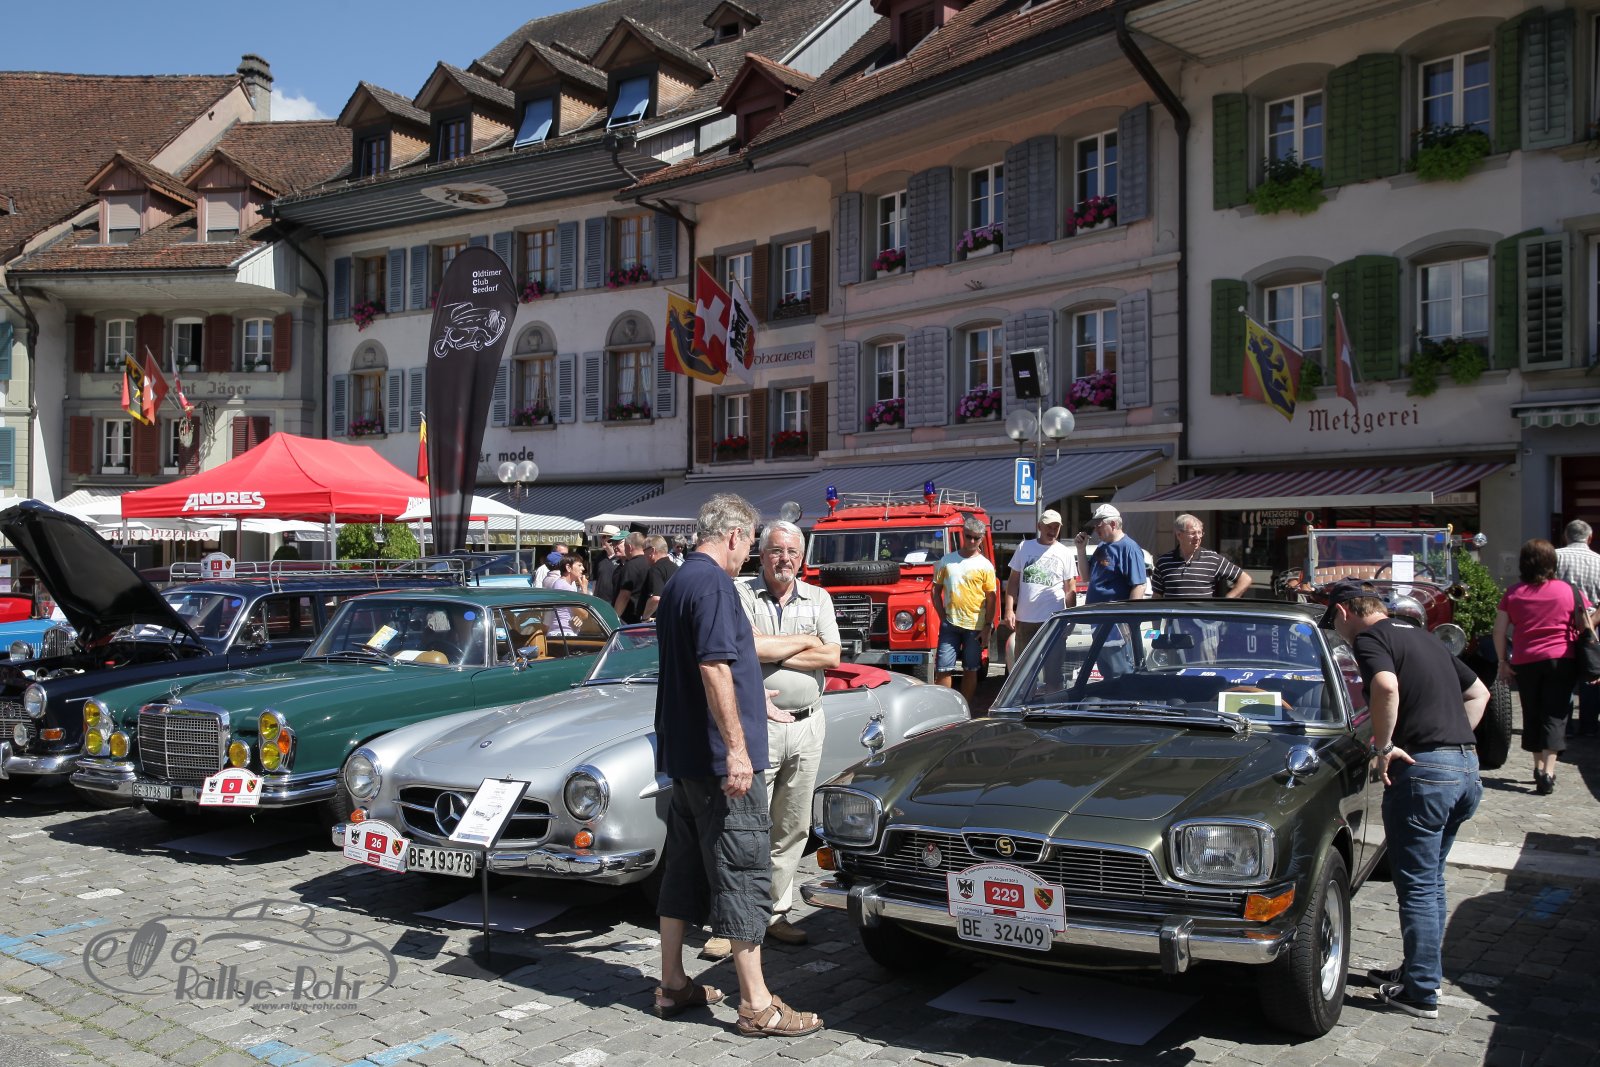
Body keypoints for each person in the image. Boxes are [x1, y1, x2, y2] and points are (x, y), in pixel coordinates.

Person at [653, 494, 823, 1038]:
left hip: (685, 755)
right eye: (750, 542)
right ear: (733, 535)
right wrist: (738, 749)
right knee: (744, 867)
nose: (748, 553)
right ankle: (757, 1003)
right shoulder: (714, 585)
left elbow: (710, 668)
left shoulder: (681, 581)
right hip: (717, 761)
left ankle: (673, 982)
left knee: (683, 868)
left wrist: (755, 702)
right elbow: (713, 667)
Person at [1322, 579, 1487, 1021]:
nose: (1339, 633)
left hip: (1425, 776)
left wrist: (1385, 745)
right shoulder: (1426, 638)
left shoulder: (1371, 638)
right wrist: (1452, 741)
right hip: (1465, 770)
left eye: (1335, 623)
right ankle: (1420, 970)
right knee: (1430, 882)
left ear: (1344, 613)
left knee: (1417, 886)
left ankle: (1420, 991)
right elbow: (1479, 693)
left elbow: (1386, 687)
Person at [699, 521, 841, 962]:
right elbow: (744, 648)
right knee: (742, 826)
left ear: (803, 558)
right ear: (762, 554)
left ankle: (774, 913)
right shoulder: (740, 593)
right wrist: (803, 643)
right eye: (777, 551)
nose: (786, 559)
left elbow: (832, 654)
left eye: (793, 552)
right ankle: (729, 923)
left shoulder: (818, 597)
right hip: (756, 725)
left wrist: (771, 647)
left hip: (807, 724)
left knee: (792, 826)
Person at [1494, 539, 1595, 793]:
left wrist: (1502, 661)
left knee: (1532, 712)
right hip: (1562, 659)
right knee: (1556, 714)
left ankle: (1537, 766)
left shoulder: (1513, 593)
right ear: (1552, 562)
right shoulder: (1568, 591)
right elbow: (1585, 625)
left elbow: (1499, 631)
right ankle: (1548, 772)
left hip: (1525, 660)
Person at [933, 516, 996, 702]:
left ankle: (965, 707)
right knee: (943, 669)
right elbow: (935, 591)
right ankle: (944, 709)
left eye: (976, 538)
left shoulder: (985, 565)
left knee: (970, 669)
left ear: (982, 539)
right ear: (962, 534)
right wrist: (942, 617)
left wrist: (987, 627)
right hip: (950, 624)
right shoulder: (947, 561)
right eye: (968, 536)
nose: (972, 541)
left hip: (975, 626)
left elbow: (991, 598)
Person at [1003, 509, 1075, 662]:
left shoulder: (1065, 553)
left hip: (1053, 621)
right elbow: (1013, 581)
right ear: (1039, 526)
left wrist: (1071, 619)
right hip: (1025, 620)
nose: (1052, 531)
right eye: (1049, 526)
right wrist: (1009, 610)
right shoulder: (1024, 547)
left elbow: (1070, 589)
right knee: (1024, 668)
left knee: (1053, 670)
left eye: (1056, 527)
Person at [1555, 519, 1600, 737]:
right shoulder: (1599, 561)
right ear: (1589, 538)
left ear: (1566, 536)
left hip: (1561, 624)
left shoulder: (1554, 557)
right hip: (1593, 624)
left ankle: (1565, 726)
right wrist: (1592, 622)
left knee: (1564, 676)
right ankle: (1589, 725)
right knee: (1592, 673)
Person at [1151, 514, 1252, 599]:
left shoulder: (1212, 559)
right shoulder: (1163, 562)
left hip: (1202, 617)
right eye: (1192, 533)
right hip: (1174, 617)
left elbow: (1245, 579)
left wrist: (1228, 601)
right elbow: (1156, 596)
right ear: (1179, 535)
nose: (1198, 537)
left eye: (1200, 532)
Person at [1073, 503, 1147, 603]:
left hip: (1114, 612)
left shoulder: (1130, 548)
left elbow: (1139, 586)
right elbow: (1085, 577)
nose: (1095, 529)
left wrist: (1130, 612)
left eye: (1099, 525)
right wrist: (1081, 549)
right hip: (1095, 611)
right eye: (1094, 526)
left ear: (1113, 524)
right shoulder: (1102, 546)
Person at [614, 532, 651, 624]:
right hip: (646, 617)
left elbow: (624, 595)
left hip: (630, 620)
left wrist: (614, 618)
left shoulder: (630, 566)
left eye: (625, 547)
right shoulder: (651, 563)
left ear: (630, 547)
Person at [640, 535, 679, 622]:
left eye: (644, 551)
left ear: (652, 550)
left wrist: (645, 618)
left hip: (659, 623)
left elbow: (656, 598)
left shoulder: (655, 569)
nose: (643, 555)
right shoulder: (676, 568)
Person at [591, 527, 626, 605]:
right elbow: (595, 581)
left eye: (604, 537)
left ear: (613, 539)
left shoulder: (622, 558)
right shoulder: (599, 557)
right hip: (598, 602)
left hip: (614, 603)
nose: (601, 540)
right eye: (601, 537)